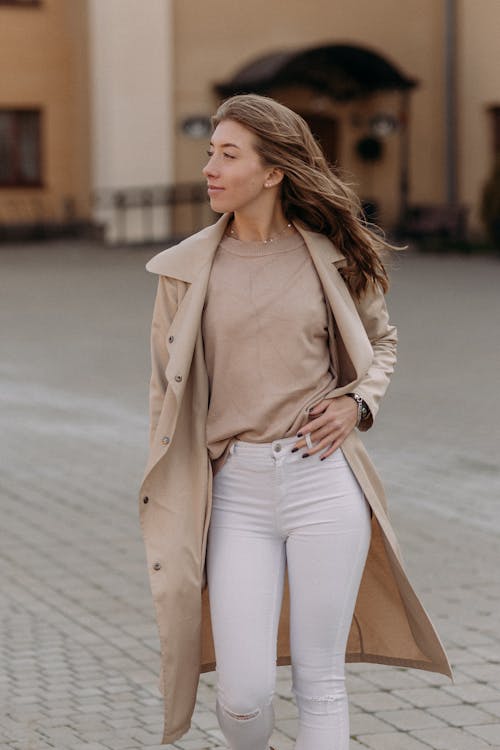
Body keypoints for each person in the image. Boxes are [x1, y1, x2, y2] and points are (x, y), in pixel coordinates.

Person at [139, 93, 453, 749]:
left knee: (321, 683)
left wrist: (358, 402)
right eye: (210, 154)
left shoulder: (333, 256)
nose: (211, 169)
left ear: (274, 170)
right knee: (244, 696)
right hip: (235, 494)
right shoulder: (183, 274)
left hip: (321, 485)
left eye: (229, 155)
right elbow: (162, 397)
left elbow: (381, 342)